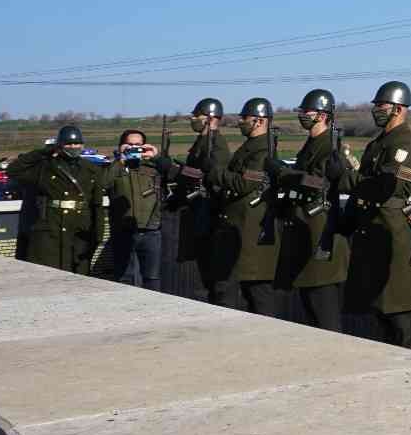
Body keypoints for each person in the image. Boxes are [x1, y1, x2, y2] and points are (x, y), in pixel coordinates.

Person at [343, 81, 411, 349]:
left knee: (401, 315)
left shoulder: (404, 144)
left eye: (381, 105)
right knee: (383, 315)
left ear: (398, 108)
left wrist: (345, 180)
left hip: (395, 235)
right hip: (372, 233)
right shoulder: (378, 144)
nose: (376, 110)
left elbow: (387, 186)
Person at [273, 88, 352, 332]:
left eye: (306, 111)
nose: (302, 115)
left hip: (322, 239)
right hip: (306, 236)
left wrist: (282, 173)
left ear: (322, 114)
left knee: (325, 320)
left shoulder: (329, 146)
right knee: (314, 318)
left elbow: (318, 184)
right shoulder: (312, 144)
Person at [204, 98, 285, 315]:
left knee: (258, 295)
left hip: (249, 231)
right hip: (237, 228)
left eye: (244, 118)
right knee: (231, 291)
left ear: (259, 121)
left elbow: (244, 183)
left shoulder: (263, 150)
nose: (240, 122)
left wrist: (215, 171)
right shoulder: (251, 146)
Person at [6, 124, 103, 273]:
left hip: (79, 230)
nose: (73, 147)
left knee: (78, 277)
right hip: (49, 230)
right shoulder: (45, 167)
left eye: (77, 143)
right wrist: (45, 151)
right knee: (46, 275)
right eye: (69, 144)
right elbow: (14, 170)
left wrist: (97, 236)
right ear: (60, 145)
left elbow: (96, 204)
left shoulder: (91, 169)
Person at [168, 97, 232, 303]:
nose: (193, 118)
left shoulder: (217, 145)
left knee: (212, 281)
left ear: (210, 119)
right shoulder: (202, 142)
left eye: (197, 115)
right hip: (197, 213)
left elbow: (210, 178)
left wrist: (174, 171)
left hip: (210, 215)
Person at [102, 129, 169, 290]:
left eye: (138, 145)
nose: (133, 148)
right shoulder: (114, 167)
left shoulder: (153, 167)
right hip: (123, 231)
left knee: (152, 278)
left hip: (151, 231)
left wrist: (157, 157)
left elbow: (174, 173)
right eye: (129, 145)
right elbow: (102, 183)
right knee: (125, 277)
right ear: (121, 146)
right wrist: (121, 160)